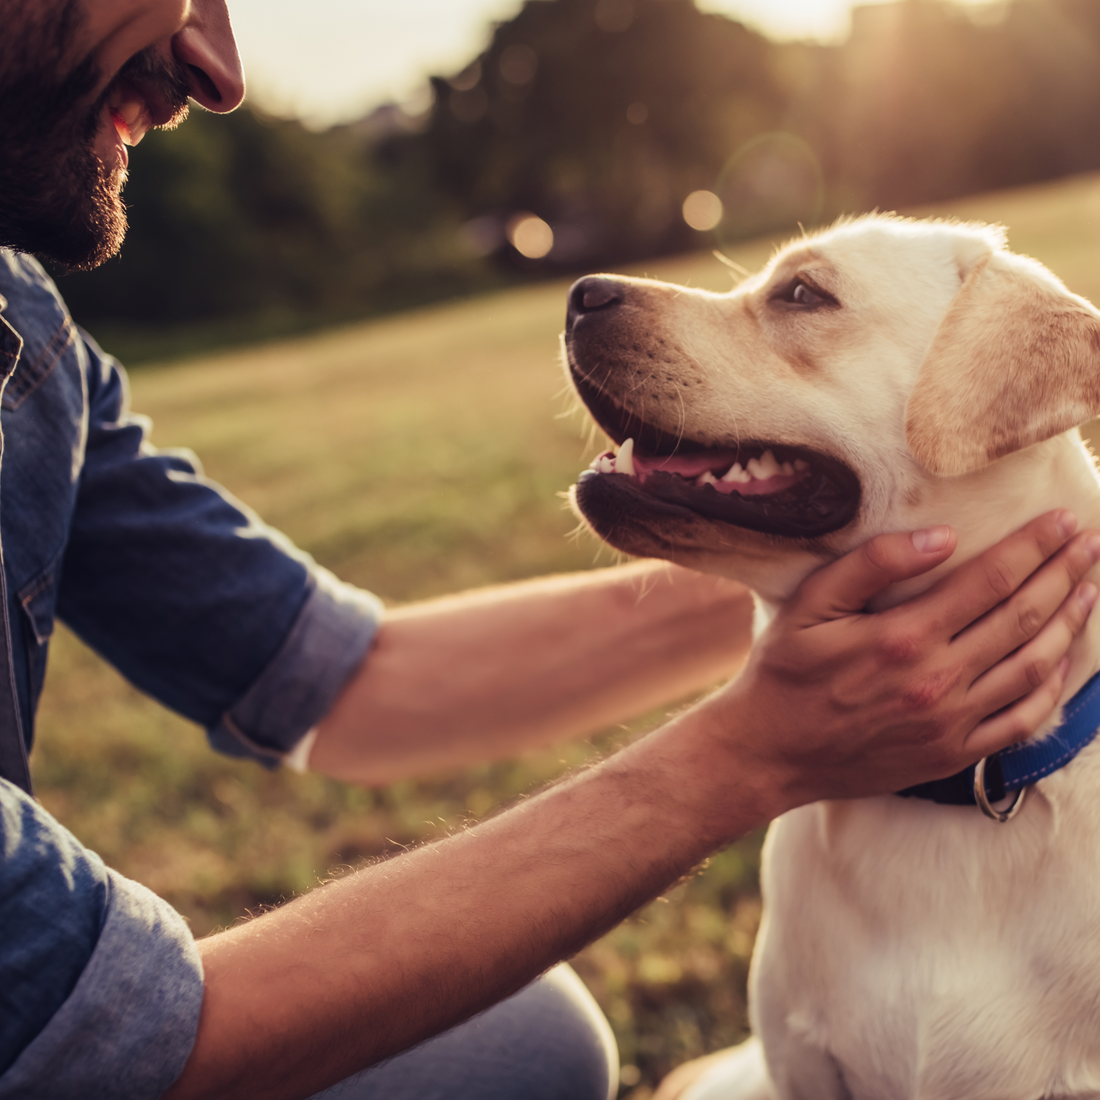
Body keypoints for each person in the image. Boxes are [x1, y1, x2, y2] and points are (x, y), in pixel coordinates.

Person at [0, 3, 1096, 1099]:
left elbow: (338, 673)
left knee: (529, 1039)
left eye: (799, 299)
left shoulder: (30, 339)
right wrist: (747, 750)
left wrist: (895, 576)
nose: (218, 66)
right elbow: (91, 1030)